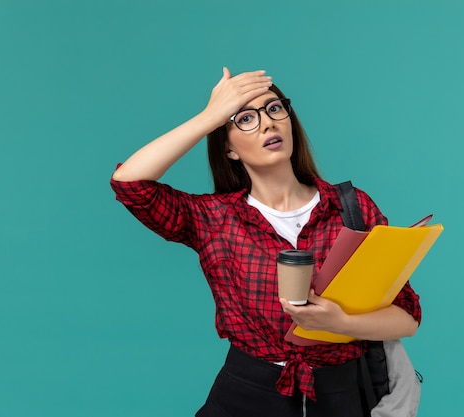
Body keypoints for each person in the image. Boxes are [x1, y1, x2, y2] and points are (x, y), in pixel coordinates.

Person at [110, 68, 421, 417]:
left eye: (275, 109)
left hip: (342, 396)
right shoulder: (215, 218)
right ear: (228, 148)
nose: (268, 124)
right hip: (248, 394)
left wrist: (341, 324)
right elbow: (129, 184)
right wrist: (209, 116)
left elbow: (407, 317)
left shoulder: (351, 207)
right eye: (245, 118)